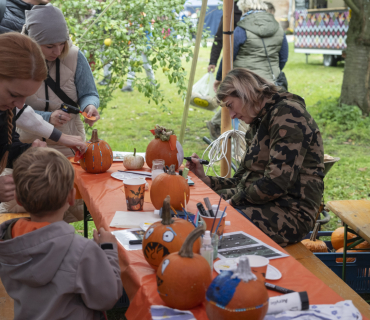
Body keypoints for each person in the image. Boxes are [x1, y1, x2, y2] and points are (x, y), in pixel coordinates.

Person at [186, 69, 325, 247]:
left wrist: (232, 203)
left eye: (230, 105)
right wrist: (207, 181)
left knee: (214, 227)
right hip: (263, 201)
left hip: (291, 212)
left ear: (245, 93)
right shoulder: (259, 122)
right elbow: (242, 181)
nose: (232, 115)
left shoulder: (288, 114)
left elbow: (276, 183)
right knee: (198, 209)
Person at [0, 147, 123, 320]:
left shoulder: (8, 242)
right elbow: (107, 298)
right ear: (72, 197)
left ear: (18, 199)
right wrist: (108, 251)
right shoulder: (80, 251)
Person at [0, 32, 86, 204]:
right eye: (14, 94)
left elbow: (6, 146)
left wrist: (28, 151)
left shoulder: (4, 110)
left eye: (26, 97)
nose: (19, 105)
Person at [17, 4, 100, 157]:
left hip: (69, 148)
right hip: (26, 147)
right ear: (32, 42)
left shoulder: (74, 56)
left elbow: (89, 93)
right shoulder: (17, 61)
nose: (58, 51)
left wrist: (90, 105)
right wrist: (48, 117)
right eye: (50, 46)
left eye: (62, 43)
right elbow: (12, 110)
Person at [207, 0, 289, 140]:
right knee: (269, 122)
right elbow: (283, 57)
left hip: (245, 84)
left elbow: (228, 56)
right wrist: (272, 72)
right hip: (270, 83)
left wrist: (220, 78)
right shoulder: (279, 28)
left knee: (246, 122)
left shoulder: (242, 29)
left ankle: (245, 154)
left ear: (245, 10)